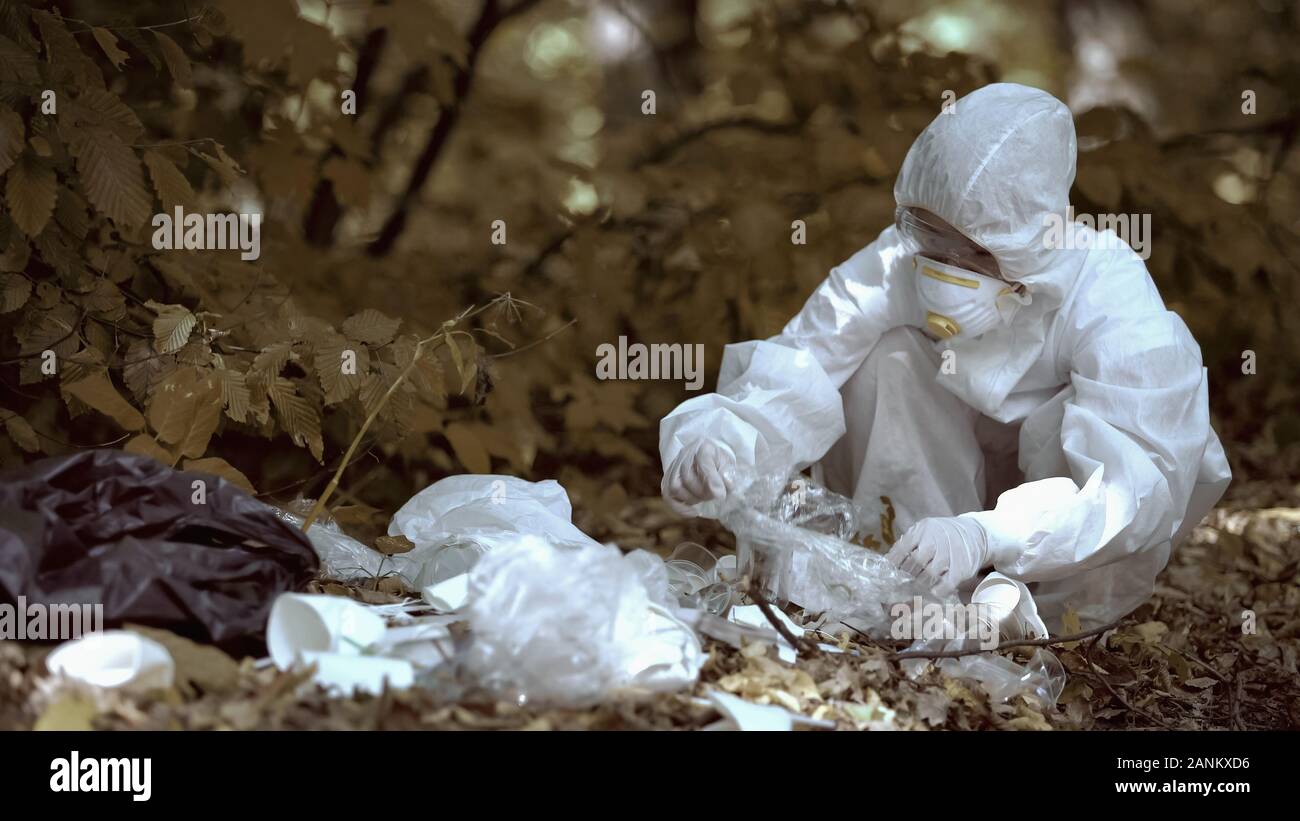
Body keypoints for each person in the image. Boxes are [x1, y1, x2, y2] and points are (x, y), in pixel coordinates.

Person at [658, 83, 1231, 630]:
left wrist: (985, 535)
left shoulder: (1106, 289)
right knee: (891, 358)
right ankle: (907, 586)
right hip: (931, 509)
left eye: (974, 251)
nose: (945, 265)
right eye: (930, 237)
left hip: (1060, 549)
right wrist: (720, 440)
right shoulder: (893, 262)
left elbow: (1134, 480)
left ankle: (1014, 601)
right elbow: (805, 356)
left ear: (1029, 235)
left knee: (1070, 422)